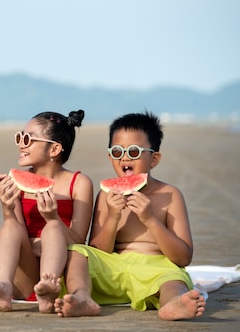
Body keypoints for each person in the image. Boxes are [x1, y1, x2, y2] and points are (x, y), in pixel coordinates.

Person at [54, 111, 206, 320]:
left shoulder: (170, 195)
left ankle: (174, 303)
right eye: (117, 152)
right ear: (110, 157)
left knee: (173, 280)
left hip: (156, 269)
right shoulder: (107, 195)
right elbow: (98, 251)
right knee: (77, 252)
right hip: (114, 269)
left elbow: (183, 257)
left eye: (134, 151)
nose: (125, 157)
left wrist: (150, 219)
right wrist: (112, 218)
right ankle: (82, 296)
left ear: (154, 159)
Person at [0, 110, 94, 313]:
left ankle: (47, 290)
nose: (21, 144)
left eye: (28, 139)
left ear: (54, 149)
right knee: (10, 225)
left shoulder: (79, 183)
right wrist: (8, 208)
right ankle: (4, 286)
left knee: (51, 228)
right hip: (25, 275)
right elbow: (17, 233)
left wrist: (53, 218)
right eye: (19, 137)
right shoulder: (15, 182)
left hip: (61, 277)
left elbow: (78, 243)